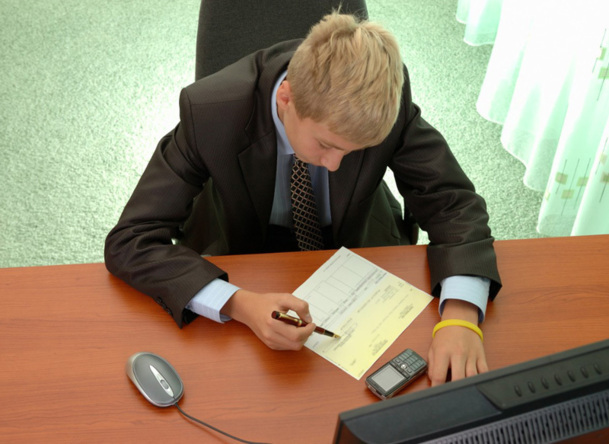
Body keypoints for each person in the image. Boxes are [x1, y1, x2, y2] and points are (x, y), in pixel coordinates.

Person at [105, 12, 501, 386]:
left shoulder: (383, 102)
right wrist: (237, 304)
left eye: (353, 151)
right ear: (286, 98)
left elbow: (453, 202)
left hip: (357, 239)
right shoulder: (209, 112)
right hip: (241, 248)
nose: (333, 166)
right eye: (327, 145)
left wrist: (462, 317)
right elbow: (132, 239)